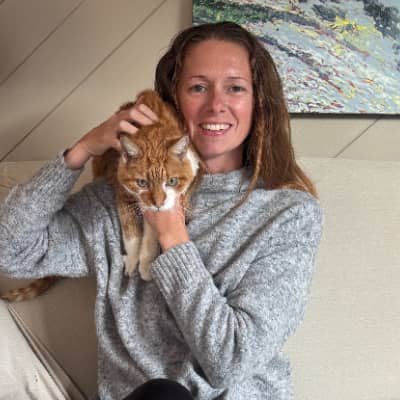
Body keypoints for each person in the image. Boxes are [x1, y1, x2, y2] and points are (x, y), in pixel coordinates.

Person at [0, 22, 323, 399]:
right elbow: (12, 251)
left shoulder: (288, 214)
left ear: (258, 102)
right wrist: (81, 151)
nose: (215, 105)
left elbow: (231, 361)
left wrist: (171, 234)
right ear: (174, 98)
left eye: (235, 88)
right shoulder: (122, 199)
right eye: (198, 87)